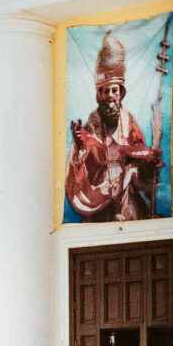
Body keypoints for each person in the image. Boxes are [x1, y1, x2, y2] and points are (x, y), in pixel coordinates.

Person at [64, 33, 162, 222]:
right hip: (98, 195)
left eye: (114, 90)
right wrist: (81, 147)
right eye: (106, 91)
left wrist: (148, 162)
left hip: (125, 192)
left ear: (120, 93)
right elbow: (82, 164)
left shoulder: (129, 123)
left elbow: (138, 155)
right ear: (100, 94)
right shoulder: (91, 125)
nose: (110, 96)